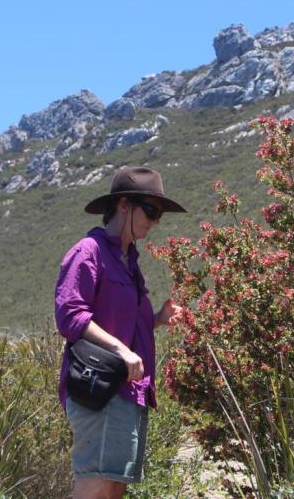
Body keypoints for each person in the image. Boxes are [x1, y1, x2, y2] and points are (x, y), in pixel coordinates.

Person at [55, 166, 186, 499]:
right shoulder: (89, 252)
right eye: (151, 210)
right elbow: (70, 316)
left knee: (113, 488)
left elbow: (126, 325)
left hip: (127, 392)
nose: (154, 221)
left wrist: (157, 319)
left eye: (159, 215)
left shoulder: (129, 263)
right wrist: (122, 351)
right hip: (99, 389)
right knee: (96, 485)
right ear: (124, 205)